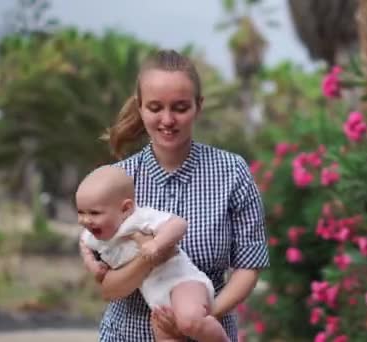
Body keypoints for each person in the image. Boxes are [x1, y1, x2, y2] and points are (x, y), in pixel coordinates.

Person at [78, 49, 269, 341]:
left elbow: (248, 265)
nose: (167, 119)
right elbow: (108, 288)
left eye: (180, 107)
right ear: (140, 108)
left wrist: (198, 319)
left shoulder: (232, 172)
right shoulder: (114, 183)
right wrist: (150, 255)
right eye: (155, 108)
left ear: (198, 107)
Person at [77, 165, 229, 342]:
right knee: (164, 335)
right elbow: (84, 243)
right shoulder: (95, 234)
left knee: (189, 321)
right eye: (81, 212)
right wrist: (92, 265)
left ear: (125, 209)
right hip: (156, 300)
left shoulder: (139, 218)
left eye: (94, 213)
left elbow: (178, 224)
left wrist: (158, 243)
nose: (86, 220)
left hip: (182, 282)